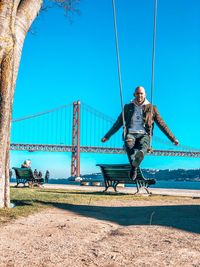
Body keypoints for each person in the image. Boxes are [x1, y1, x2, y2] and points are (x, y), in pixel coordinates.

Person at [101, 86, 179, 180]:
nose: (139, 95)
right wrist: (107, 136)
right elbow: (118, 123)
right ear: (134, 94)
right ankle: (134, 167)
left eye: (141, 93)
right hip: (131, 133)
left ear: (145, 95)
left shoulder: (152, 108)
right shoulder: (127, 107)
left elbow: (162, 124)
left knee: (143, 148)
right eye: (138, 93)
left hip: (144, 134)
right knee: (128, 145)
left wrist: (173, 138)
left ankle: (135, 165)